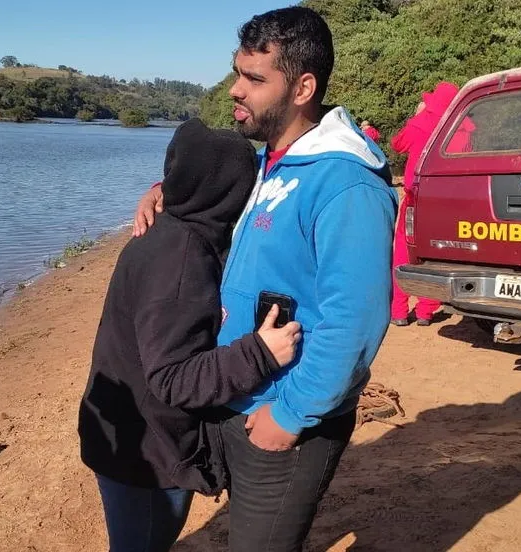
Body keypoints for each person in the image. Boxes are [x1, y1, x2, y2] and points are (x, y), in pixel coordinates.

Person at [133, 7, 397, 550]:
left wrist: (293, 414)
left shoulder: (346, 184)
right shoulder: (271, 162)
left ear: (302, 87)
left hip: (287, 412)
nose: (235, 89)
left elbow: (355, 317)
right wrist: (164, 189)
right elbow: (209, 182)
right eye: (238, 72)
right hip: (239, 391)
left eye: (254, 79)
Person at [78, 118, 303, 552]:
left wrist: (158, 189)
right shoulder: (181, 261)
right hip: (144, 453)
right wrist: (259, 353)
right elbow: (172, 378)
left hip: (132, 432)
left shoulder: (177, 230)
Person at [389, 82, 472, 327]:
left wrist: (416, 116)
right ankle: (426, 310)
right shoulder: (464, 127)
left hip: (417, 197)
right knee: (433, 254)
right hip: (447, 201)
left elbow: (397, 144)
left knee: (404, 251)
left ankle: (400, 311)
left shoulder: (421, 122)